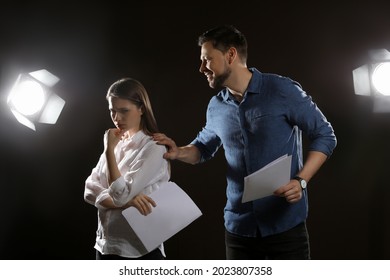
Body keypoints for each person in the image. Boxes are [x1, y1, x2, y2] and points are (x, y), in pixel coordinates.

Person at [153, 25, 337, 260]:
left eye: (207, 59)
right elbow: (202, 148)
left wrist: (301, 181)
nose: (201, 68)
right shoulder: (216, 106)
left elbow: (325, 135)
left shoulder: (282, 89)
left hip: (286, 230)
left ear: (230, 55)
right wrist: (178, 152)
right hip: (239, 233)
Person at [84, 77, 170, 260]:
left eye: (124, 111)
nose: (117, 118)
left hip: (138, 251)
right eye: (112, 111)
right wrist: (127, 202)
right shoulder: (117, 143)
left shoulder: (153, 148)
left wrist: (108, 151)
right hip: (104, 245)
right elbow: (88, 190)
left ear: (141, 109)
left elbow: (121, 194)